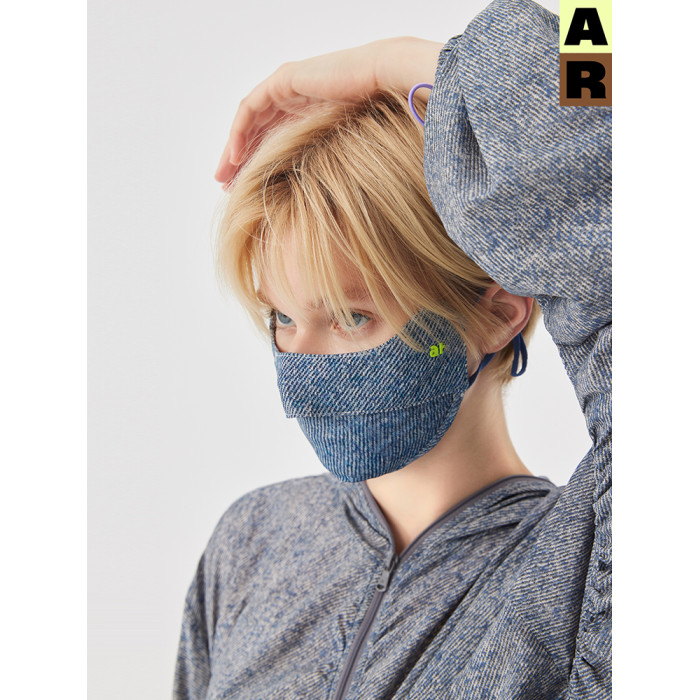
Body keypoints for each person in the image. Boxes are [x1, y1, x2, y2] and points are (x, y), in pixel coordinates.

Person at [174, 0, 611, 698]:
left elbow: (609, 62)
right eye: (281, 317)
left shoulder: (584, 572)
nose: (301, 367)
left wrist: (416, 65)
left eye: (351, 316)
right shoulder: (253, 540)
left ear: (498, 315)